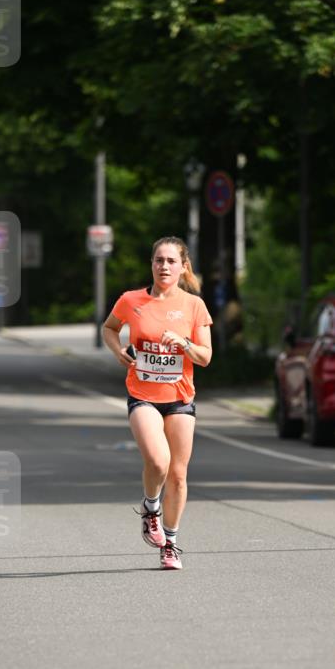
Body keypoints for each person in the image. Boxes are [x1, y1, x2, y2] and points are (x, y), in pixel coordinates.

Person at [103, 237, 212, 570]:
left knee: (178, 476)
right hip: (143, 395)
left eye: (170, 261)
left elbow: (205, 357)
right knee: (158, 461)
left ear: (182, 267)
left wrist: (183, 343)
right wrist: (117, 349)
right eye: (158, 260)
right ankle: (151, 508)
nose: (164, 266)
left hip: (180, 398)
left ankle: (171, 543)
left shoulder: (194, 305)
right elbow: (109, 328)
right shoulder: (131, 300)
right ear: (152, 264)